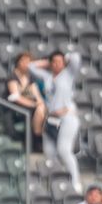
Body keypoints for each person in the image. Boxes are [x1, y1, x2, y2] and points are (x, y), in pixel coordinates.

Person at [26, 49, 83, 193]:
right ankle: (58, 182)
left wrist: (66, 57)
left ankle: (76, 182)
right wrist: (46, 62)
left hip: (67, 116)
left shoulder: (68, 74)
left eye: (60, 62)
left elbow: (76, 58)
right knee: (49, 152)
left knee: (64, 150)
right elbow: (30, 67)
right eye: (54, 62)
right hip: (51, 118)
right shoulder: (47, 76)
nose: (57, 64)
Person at [6, 51, 47, 138]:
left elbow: (36, 93)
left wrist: (40, 102)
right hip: (14, 106)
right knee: (39, 108)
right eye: (23, 61)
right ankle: (37, 135)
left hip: (28, 105)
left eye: (29, 62)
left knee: (43, 107)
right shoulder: (12, 76)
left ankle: (40, 134)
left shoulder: (30, 76)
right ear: (18, 62)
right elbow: (16, 97)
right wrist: (34, 104)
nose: (26, 64)